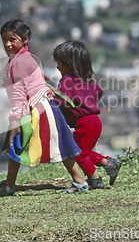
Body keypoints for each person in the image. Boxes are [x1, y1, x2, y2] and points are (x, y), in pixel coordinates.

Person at [0, 19, 88, 196]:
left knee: (16, 145)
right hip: (44, 106)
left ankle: (10, 185)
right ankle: (79, 181)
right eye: (4, 40)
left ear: (25, 39)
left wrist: (15, 119)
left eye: (13, 40)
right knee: (59, 143)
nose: (8, 44)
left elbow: (19, 92)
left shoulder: (18, 62)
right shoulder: (26, 57)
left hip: (37, 110)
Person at [52, 40, 122, 189]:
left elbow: (60, 99)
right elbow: (99, 92)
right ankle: (108, 163)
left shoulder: (67, 81)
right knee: (85, 152)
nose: (57, 67)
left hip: (84, 123)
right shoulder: (87, 80)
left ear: (68, 63)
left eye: (59, 63)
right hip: (95, 120)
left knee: (77, 153)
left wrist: (50, 97)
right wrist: (88, 102)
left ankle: (95, 180)